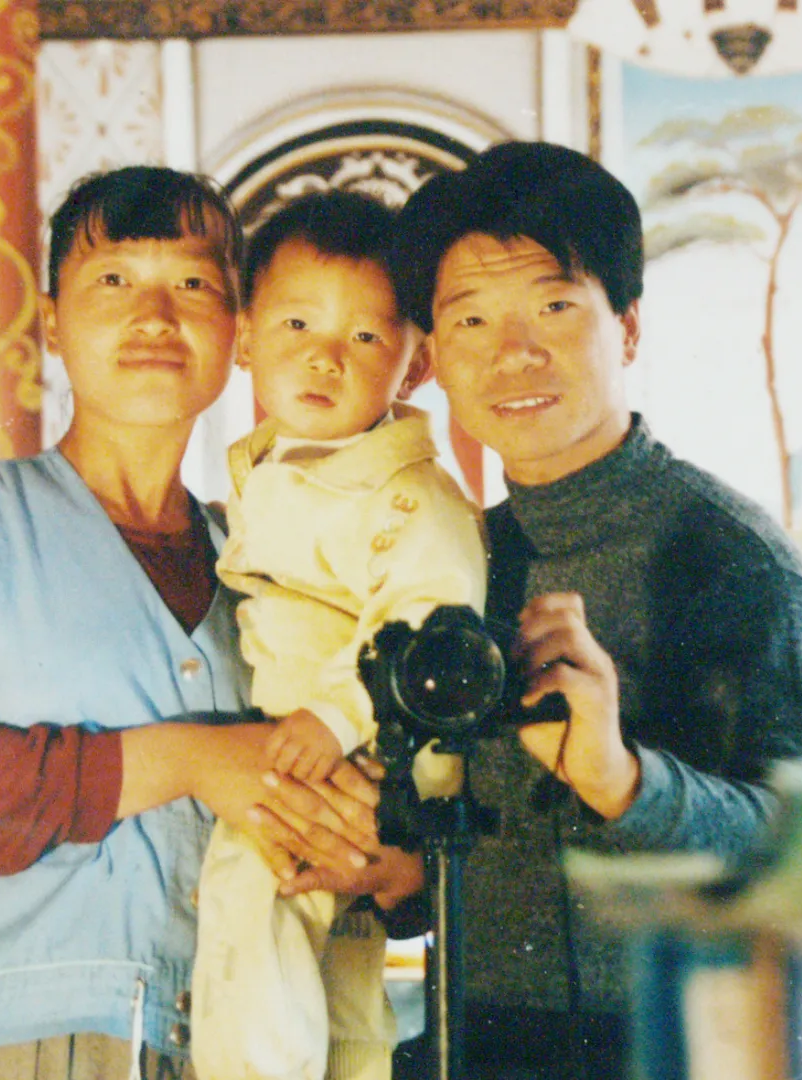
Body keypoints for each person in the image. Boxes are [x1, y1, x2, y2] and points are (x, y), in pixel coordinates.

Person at [0, 166, 405, 1080]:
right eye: (114, 280)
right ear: (51, 320)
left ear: (238, 330)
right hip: (41, 1052)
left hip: (257, 1046)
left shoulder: (266, 556)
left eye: (192, 283)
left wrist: (379, 856)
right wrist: (194, 759)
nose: (154, 316)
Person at [373, 141, 802, 1079]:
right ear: (436, 357)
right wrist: (389, 870)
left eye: (554, 307)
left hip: (673, 1047)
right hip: (469, 1044)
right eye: (471, 318)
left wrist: (622, 780)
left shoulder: (732, 561)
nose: (514, 352)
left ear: (625, 328)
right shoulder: (447, 557)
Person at [190, 191, 487, 1080]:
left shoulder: (409, 495)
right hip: (339, 746)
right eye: (297, 325)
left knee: (253, 893)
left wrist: (332, 715)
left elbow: (431, 625)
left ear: (415, 363)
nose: (326, 356)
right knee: (343, 969)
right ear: (247, 338)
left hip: (361, 744)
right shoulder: (283, 464)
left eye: (364, 336)